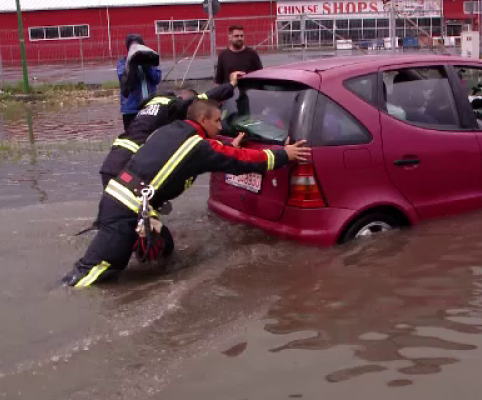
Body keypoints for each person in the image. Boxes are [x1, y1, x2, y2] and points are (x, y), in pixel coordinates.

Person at [62, 98, 311, 288]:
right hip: (127, 210)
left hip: (122, 200)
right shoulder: (197, 146)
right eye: (216, 121)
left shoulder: (173, 131)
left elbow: (205, 152)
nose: (221, 125)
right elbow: (241, 160)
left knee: (165, 249)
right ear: (203, 119)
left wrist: (224, 146)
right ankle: (62, 296)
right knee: (94, 273)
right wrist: (283, 155)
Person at [99, 70, 245, 188]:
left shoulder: (152, 107)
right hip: (127, 167)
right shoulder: (173, 107)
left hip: (112, 162)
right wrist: (231, 85)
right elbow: (203, 99)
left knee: (117, 211)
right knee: (131, 213)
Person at [118, 34, 162, 131]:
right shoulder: (123, 63)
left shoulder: (150, 60)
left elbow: (157, 78)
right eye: (132, 46)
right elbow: (124, 81)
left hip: (150, 107)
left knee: (151, 135)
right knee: (132, 136)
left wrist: (147, 65)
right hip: (131, 109)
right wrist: (132, 64)